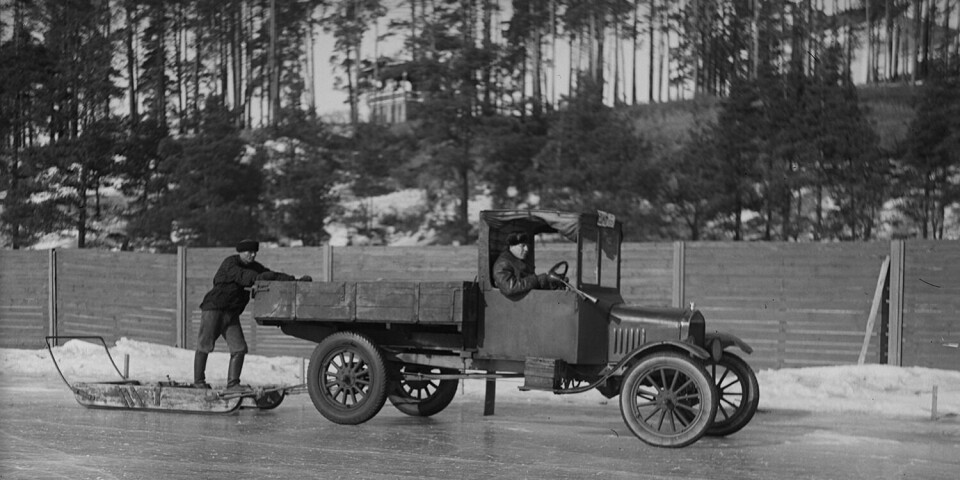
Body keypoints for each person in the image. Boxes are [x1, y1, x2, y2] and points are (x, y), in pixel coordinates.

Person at [193, 239, 297, 391]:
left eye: (254, 252)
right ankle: (198, 382)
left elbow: (271, 275)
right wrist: (260, 278)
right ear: (240, 252)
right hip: (214, 309)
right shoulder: (230, 263)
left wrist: (293, 280)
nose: (252, 255)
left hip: (231, 313)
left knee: (239, 348)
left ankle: (233, 384)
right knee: (205, 344)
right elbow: (243, 276)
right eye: (249, 252)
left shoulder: (255, 267)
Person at [492, 232, 564, 299]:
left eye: (526, 245)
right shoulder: (502, 264)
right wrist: (537, 280)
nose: (526, 249)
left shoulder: (520, 260)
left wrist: (551, 283)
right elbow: (510, 288)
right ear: (511, 246)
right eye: (522, 246)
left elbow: (528, 285)